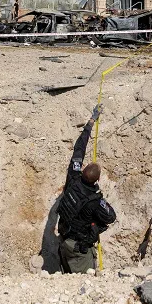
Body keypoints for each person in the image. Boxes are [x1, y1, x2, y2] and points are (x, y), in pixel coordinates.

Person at [57, 104, 116, 274]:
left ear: (82, 171)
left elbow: (79, 148)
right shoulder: (94, 200)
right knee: (84, 286)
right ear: (97, 179)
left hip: (64, 241)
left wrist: (91, 121)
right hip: (79, 250)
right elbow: (111, 216)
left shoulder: (73, 177)